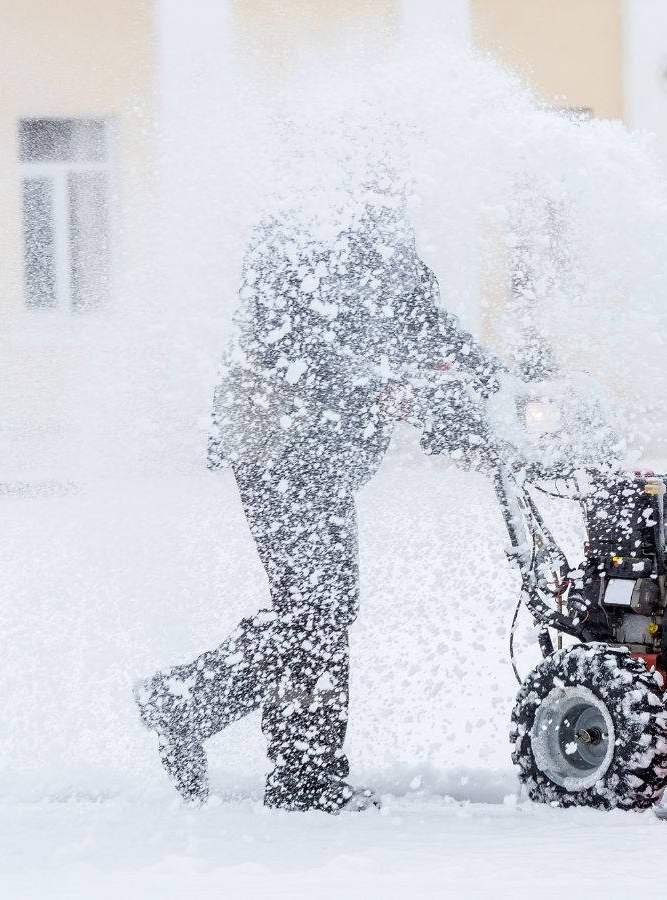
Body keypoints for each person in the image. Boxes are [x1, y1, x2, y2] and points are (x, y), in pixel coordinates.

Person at [134, 199, 501, 813]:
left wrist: (503, 385)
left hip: (324, 457)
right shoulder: (297, 226)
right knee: (317, 610)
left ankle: (227, 728)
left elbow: (427, 326)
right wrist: (382, 382)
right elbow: (296, 339)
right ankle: (253, 746)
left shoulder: (382, 236)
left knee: (318, 609)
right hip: (278, 444)